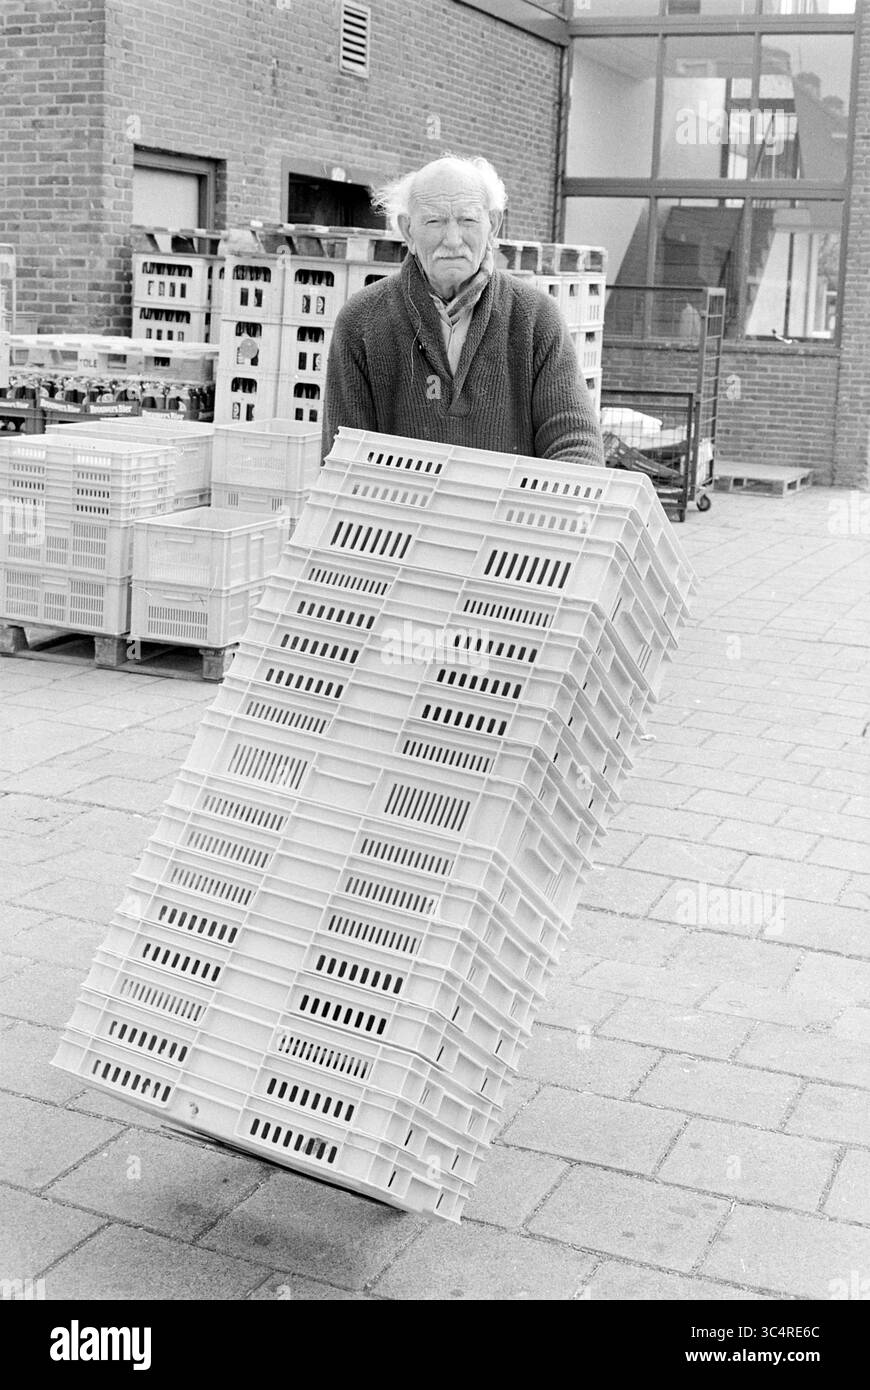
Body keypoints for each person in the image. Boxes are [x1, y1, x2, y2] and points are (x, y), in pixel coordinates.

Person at [321, 154, 604, 466]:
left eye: (468, 220)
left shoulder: (536, 318)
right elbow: (343, 458)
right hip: (399, 512)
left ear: (492, 225)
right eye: (434, 221)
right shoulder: (361, 322)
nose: (453, 240)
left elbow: (576, 443)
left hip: (509, 513)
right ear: (408, 231)